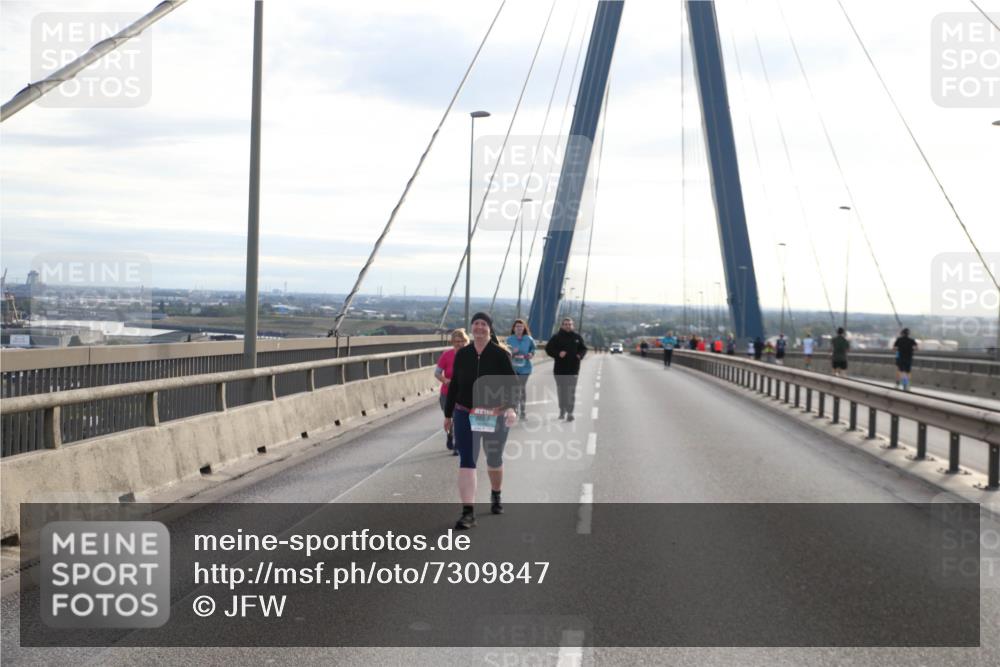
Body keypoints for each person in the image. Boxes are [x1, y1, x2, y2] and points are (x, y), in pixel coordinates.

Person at [444, 312, 518, 529]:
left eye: (483, 324)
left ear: (490, 328)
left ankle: (496, 494)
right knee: (467, 460)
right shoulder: (463, 354)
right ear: (471, 328)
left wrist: (509, 408)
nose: (479, 327)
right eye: (475, 323)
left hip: (493, 414)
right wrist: (448, 415)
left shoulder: (500, 354)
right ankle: (468, 513)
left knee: (493, 459)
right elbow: (454, 385)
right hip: (465, 412)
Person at [545, 317, 588, 421]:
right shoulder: (556, 337)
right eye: (566, 324)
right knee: (562, 391)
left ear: (573, 325)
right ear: (562, 325)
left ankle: (570, 412)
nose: (568, 326)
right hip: (559, 370)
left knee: (571, 391)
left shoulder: (577, 337)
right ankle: (562, 410)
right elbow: (548, 349)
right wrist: (558, 353)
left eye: (570, 324)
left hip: (573, 369)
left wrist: (579, 355)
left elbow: (584, 348)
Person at [435, 328, 469, 454]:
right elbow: (437, 373)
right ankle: (450, 435)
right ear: (452, 342)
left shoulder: (470, 355)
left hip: (463, 394)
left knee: (458, 418)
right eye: (455, 341)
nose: (458, 344)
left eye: (461, 341)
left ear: (465, 341)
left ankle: (457, 444)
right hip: (447, 393)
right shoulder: (446, 355)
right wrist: (446, 380)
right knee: (450, 418)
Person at [506, 319, 535, 418]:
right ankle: (514, 408)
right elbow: (505, 351)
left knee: (521, 388)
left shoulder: (529, 339)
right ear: (514, 328)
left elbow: (533, 349)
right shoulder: (509, 339)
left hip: (525, 368)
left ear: (524, 328)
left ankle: (522, 411)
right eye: (517, 326)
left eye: (521, 326)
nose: (519, 328)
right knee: (514, 388)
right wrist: (512, 352)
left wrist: (531, 354)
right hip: (513, 368)